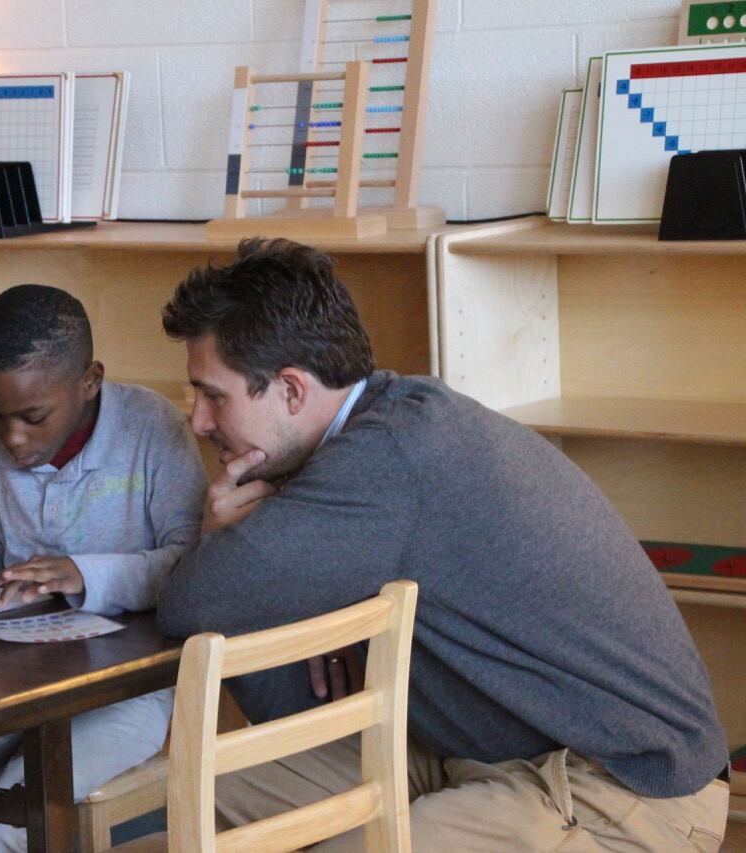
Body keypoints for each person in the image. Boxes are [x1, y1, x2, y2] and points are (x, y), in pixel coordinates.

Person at [156, 238, 730, 851]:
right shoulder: (387, 423)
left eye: (214, 394)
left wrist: (224, 537)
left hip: (615, 786)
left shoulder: (390, 458)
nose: (198, 422)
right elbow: (280, 685)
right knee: (191, 804)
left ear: (293, 390)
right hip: (472, 751)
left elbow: (195, 602)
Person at [0, 284, 206, 852]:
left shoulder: (152, 431)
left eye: (33, 416)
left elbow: (192, 563)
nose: (12, 437)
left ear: (90, 380)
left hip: (130, 689)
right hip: (12, 676)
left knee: (5, 818)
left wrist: (85, 574)